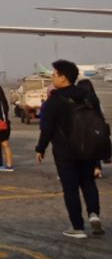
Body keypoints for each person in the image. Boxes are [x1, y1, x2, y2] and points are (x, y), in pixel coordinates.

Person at [36, 61, 102, 238]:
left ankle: (78, 227)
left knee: (70, 188)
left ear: (63, 77)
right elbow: (99, 121)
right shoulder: (87, 96)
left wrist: (40, 148)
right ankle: (94, 214)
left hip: (66, 151)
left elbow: (47, 128)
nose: (52, 78)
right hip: (88, 147)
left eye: (54, 75)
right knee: (88, 182)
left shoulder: (55, 101)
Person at [77, 79, 106, 179]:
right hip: (96, 128)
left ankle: (87, 170)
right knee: (95, 149)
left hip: (83, 129)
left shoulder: (79, 100)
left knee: (85, 150)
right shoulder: (95, 99)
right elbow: (102, 113)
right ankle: (97, 169)